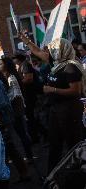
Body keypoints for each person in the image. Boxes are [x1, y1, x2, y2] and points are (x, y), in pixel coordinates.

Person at [19, 34, 85, 172]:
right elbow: (37, 52)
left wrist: (52, 89)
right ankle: (52, 176)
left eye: (53, 49)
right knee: (55, 142)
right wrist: (27, 41)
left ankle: (78, 174)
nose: (50, 52)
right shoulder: (56, 62)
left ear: (62, 50)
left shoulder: (71, 67)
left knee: (73, 144)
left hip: (69, 110)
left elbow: (75, 92)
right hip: (56, 109)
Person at [0, 57, 34, 161]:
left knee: (21, 134)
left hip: (15, 111)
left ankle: (29, 156)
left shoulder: (12, 78)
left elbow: (16, 96)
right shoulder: (6, 77)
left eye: (1, 64)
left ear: (6, 66)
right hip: (13, 111)